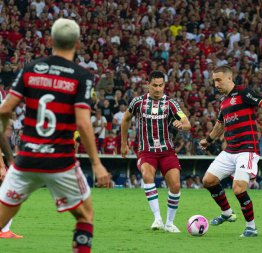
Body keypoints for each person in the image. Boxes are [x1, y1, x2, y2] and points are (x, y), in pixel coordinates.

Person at [0, 18, 109, 252]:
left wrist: (4, 131)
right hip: (61, 162)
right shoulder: (82, 76)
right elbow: (82, 122)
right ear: (78, 44)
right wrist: (97, 164)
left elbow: (5, 109)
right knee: (85, 215)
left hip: (26, 158)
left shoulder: (30, 70)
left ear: (49, 41)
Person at [200, 65, 262, 237]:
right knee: (208, 180)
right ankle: (227, 213)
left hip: (247, 150)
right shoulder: (223, 102)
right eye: (214, 80)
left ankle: (251, 227)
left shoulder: (244, 93)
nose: (216, 83)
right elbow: (220, 125)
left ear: (230, 78)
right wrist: (208, 140)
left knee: (238, 188)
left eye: (218, 80)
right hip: (230, 151)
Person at [121, 70, 191, 233]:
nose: (158, 89)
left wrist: (183, 126)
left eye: (161, 86)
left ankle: (169, 223)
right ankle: (157, 218)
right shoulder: (137, 102)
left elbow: (186, 122)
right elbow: (125, 119)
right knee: (147, 175)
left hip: (167, 151)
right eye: (155, 85)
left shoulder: (171, 104)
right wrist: (124, 143)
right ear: (148, 85)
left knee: (175, 185)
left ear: (164, 86)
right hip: (146, 151)